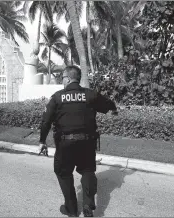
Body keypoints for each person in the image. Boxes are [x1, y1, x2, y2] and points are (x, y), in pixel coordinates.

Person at [38, 65, 117, 217]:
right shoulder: (90, 95)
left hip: (65, 144)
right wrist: (114, 110)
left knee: (63, 173)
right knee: (87, 170)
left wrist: (42, 141)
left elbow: (46, 122)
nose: (62, 81)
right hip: (87, 143)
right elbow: (108, 104)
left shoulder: (57, 97)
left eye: (62, 78)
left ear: (67, 78)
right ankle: (88, 203)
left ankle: (72, 210)